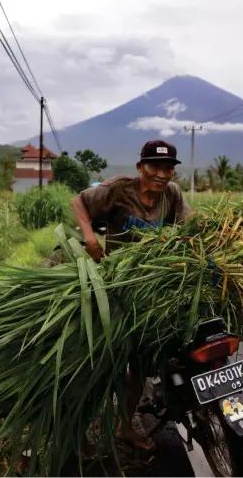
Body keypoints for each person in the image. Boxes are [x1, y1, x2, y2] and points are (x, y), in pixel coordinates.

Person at [71, 139, 193, 451]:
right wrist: (90, 238)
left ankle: (125, 426)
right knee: (103, 360)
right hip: (116, 284)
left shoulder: (173, 196)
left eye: (168, 168)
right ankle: (78, 432)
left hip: (153, 285)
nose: (162, 174)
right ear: (140, 167)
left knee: (139, 362)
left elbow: (189, 229)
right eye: (155, 166)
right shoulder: (117, 190)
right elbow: (79, 203)